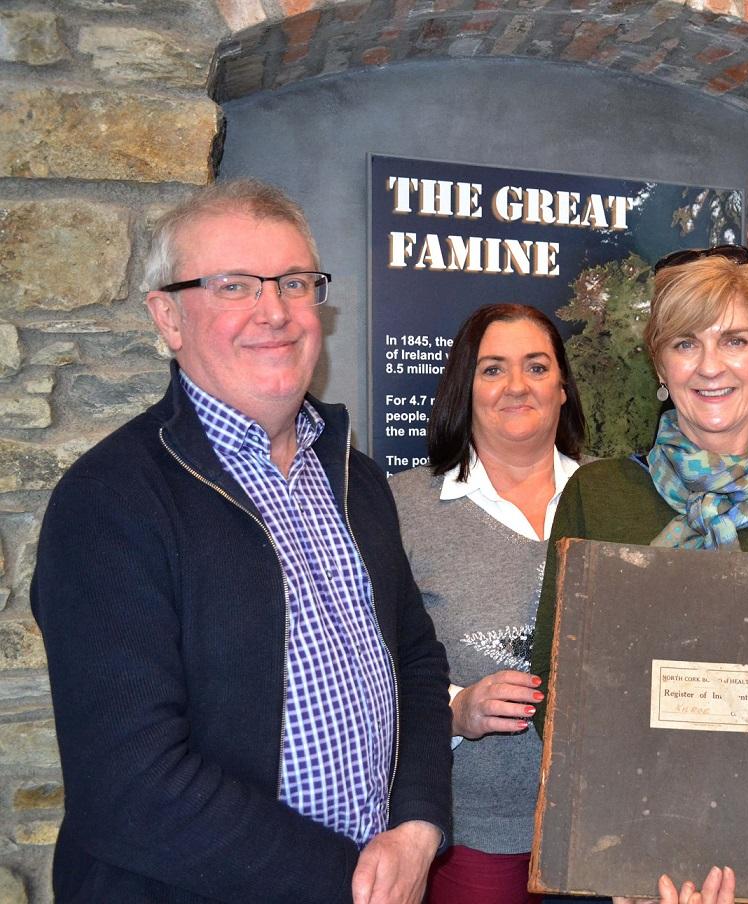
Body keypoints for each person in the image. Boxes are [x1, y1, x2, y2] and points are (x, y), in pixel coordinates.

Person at [30, 179, 451, 904]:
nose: (276, 312)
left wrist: (417, 826)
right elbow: (133, 787)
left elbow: (414, 659)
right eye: (233, 286)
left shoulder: (356, 478)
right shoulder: (111, 502)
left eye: (294, 282)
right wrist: (346, 884)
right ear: (168, 316)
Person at [530, 249, 748, 897]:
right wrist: (641, 851)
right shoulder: (598, 499)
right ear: (660, 366)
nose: (711, 366)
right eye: (686, 343)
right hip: (622, 861)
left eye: (735, 340)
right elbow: (562, 688)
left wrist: (738, 854)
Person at [389, 303, 586, 904]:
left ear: (562, 388)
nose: (517, 386)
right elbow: (370, 663)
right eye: (493, 369)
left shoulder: (609, 501)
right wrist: (454, 711)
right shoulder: (402, 507)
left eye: (536, 366)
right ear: (464, 389)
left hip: (599, 827)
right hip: (469, 830)